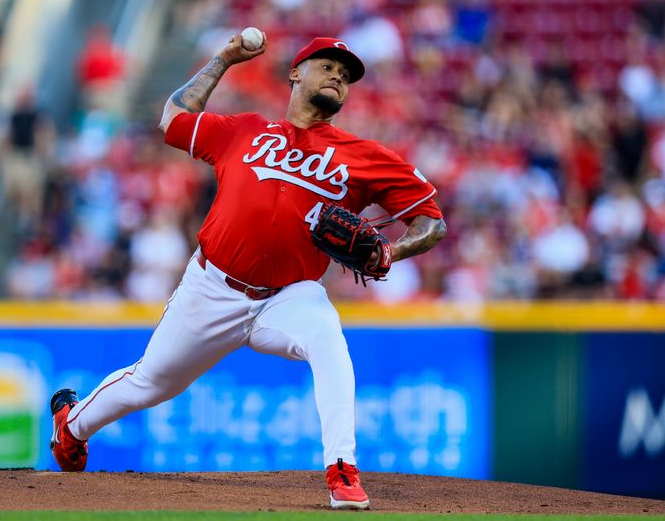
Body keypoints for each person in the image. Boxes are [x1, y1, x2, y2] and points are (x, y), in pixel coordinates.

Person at [49, 33, 446, 510]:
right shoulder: (245, 130)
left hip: (290, 295)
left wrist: (391, 254)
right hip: (212, 286)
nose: (339, 75)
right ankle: (71, 426)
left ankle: (342, 471)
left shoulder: (364, 156)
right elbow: (173, 119)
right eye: (328, 65)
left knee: (329, 342)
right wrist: (224, 59)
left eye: (347, 74)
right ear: (296, 74)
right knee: (150, 383)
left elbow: (432, 222)